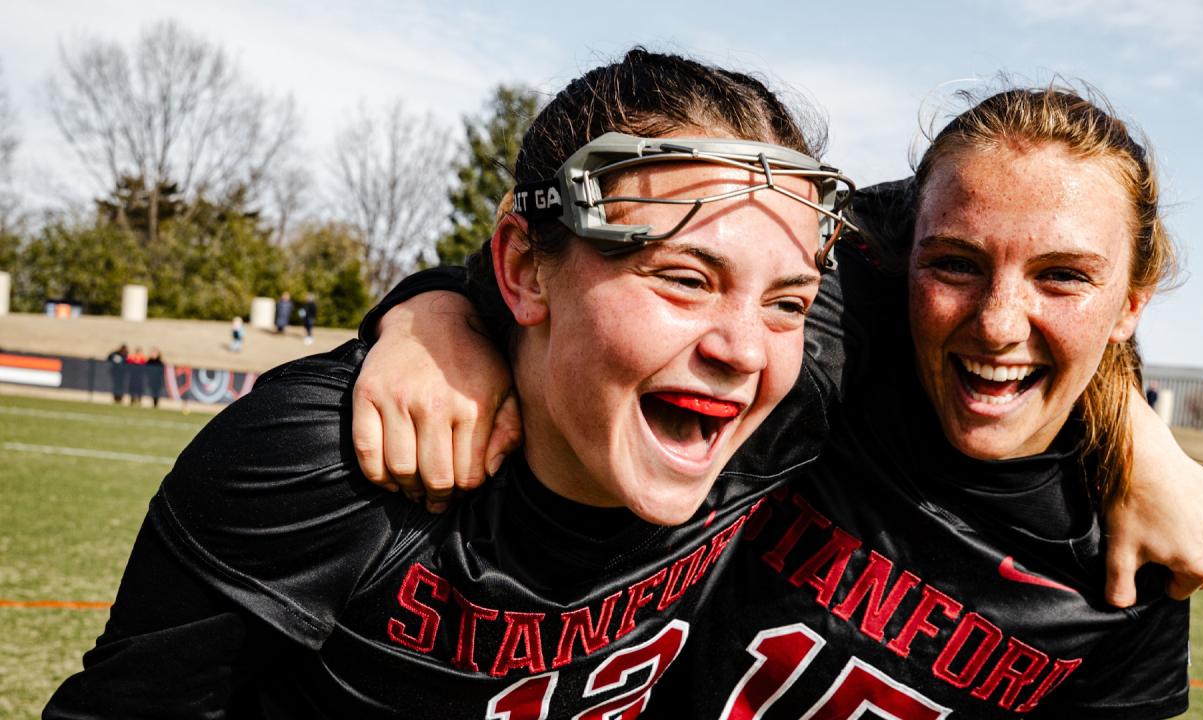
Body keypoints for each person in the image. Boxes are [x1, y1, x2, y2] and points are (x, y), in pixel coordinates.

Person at [350, 84, 1203, 717]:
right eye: (954, 265)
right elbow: (570, 273)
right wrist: (437, 320)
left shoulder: (1138, 557)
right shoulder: (825, 358)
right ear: (902, 261)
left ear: (1133, 302)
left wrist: (1134, 432)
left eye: (1065, 279)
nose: (1000, 324)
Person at [46, 49, 854, 718]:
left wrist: (428, 300)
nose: (746, 350)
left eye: (788, 300)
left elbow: (966, 225)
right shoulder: (330, 462)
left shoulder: (794, 408)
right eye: (683, 277)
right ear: (523, 267)